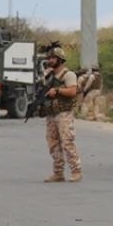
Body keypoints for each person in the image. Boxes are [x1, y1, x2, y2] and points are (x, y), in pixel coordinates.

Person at [41, 47, 82, 183]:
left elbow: (72, 91)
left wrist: (57, 91)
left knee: (67, 142)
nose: (51, 60)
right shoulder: (48, 76)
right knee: (52, 143)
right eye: (50, 58)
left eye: (54, 58)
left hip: (64, 113)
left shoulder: (68, 75)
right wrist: (42, 106)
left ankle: (76, 171)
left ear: (60, 59)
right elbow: (47, 96)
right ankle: (58, 172)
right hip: (51, 113)